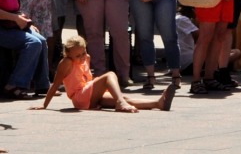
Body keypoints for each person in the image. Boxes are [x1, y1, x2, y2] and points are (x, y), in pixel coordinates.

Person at [36, 36, 174, 112]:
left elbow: (86, 79)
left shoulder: (87, 58)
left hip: (89, 94)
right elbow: (55, 84)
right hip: (79, 98)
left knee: (123, 97)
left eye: (83, 52)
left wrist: (99, 86)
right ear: (68, 54)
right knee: (110, 75)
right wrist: (44, 105)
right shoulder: (66, 62)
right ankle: (120, 103)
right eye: (78, 56)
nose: (82, 57)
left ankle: (158, 103)